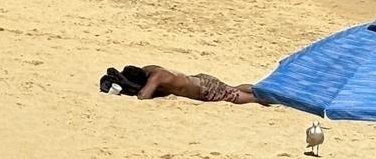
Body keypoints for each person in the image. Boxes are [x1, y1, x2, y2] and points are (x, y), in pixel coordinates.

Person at [104, 65, 264, 105]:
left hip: (204, 89)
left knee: (236, 96)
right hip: (199, 80)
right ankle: (260, 89)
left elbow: (143, 96)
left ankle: (267, 96)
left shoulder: (156, 77)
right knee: (232, 88)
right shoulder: (149, 69)